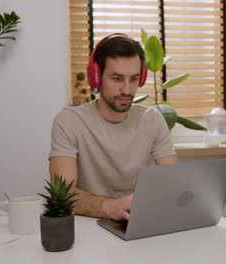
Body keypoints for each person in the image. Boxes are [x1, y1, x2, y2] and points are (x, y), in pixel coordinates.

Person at [49, 33, 178, 221]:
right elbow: (62, 194)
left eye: (134, 79)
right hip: (89, 226)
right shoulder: (69, 121)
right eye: (117, 78)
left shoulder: (153, 120)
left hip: (137, 223)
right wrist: (108, 207)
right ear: (96, 77)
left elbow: (173, 183)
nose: (127, 90)